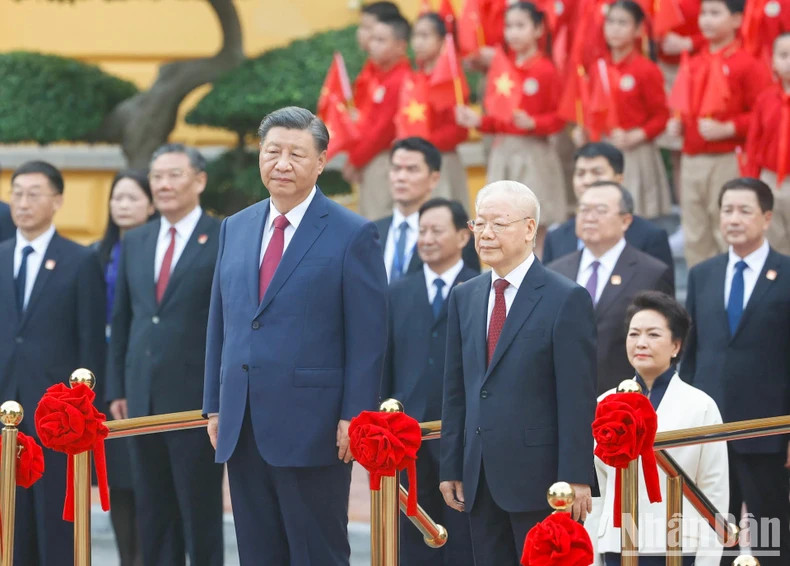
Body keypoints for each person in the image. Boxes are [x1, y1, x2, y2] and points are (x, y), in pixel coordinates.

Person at [202, 107, 388, 566]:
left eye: (296, 154)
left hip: (315, 425)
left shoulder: (353, 233)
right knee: (257, 550)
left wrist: (355, 415)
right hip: (242, 421)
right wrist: (214, 404)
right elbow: (220, 322)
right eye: (273, 152)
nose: (282, 164)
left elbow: (369, 336)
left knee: (315, 550)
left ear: (321, 162)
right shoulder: (236, 226)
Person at [439, 180, 598, 565]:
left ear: (529, 229)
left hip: (542, 479)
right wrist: (452, 464)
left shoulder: (565, 298)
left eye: (499, 223)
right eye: (480, 223)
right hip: (479, 474)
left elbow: (576, 396)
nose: (486, 233)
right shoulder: (466, 295)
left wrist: (576, 476)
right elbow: (457, 389)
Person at [107, 144, 224, 566]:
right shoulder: (136, 240)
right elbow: (124, 319)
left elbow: (227, 321)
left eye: (174, 175)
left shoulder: (222, 236)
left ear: (199, 180)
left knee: (198, 511)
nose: (164, 185)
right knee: (153, 510)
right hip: (141, 398)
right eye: (157, 176)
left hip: (196, 401)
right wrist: (118, 385)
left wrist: (220, 396)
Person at [0, 160, 105, 566]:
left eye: (34, 193)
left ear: (58, 200)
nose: (23, 203)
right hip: (6, 407)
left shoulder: (80, 261)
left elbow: (91, 343)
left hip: (56, 415)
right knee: (11, 517)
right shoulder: (1, 254)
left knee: (54, 521)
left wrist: (84, 412)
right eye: (17, 193)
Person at [681, 177, 790, 566]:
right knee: (713, 533)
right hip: (710, 431)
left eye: (744, 211)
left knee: (771, 534)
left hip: (769, 430)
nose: (733, 218)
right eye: (727, 210)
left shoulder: (786, 272)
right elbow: (692, 355)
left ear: (766, 218)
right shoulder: (703, 273)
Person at [588, 291, 728, 566]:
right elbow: (598, 490)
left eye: (653, 335)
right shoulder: (604, 403)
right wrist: (592, 553)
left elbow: (714, 490)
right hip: (617, 543)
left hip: (678, 544)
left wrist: (708, 559)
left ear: (676, 345)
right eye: (634, 334)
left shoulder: (701, 405)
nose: (641, 343)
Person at [381, 197, 477, 566]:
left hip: (464, 437)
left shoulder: (480, 289)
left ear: (462, 237)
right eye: (422, 231)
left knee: (463, 538)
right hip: (408, 440)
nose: (427, 238)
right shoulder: (397, 293)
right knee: (412, 539)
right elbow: (386, 365)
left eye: (437, 230)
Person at [456, 2, 567, 249]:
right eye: (508, 26)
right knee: (500, 223)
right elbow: (498, 119)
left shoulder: (546, 70)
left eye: (520, 26)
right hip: (503, 152)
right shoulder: (501, 69)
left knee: (536, 226)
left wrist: (534, 122)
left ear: (538, 29)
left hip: (534, 153)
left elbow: (560, 118)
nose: (513, 33)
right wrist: (478, 121)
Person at [669, 0, 772, 267]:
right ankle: (699, 297)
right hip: (692, 158)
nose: (706, 20)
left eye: (716, 13)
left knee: (726, 230)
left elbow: (765, 114)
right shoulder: (693, 61)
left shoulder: (747, 63)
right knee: (695, 233)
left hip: (727, 158)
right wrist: (678, 124)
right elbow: (684, 107)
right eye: (704, 13)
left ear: (738, 20)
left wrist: (729, 128)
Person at [547, 181, 674, 394]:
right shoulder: (555, 271)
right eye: (584, 209)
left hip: (626, 397)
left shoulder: (651, 272)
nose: (589, 217)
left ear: (626, 220)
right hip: (564, 394)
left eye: (600, 210)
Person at [95, 170, 155, 566]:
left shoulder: (158, 251)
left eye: (133, 198)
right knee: (116, 479)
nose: (123, 205)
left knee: (147, 481)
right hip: (104, 378)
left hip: (147, 375)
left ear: (150, 205)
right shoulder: (94, 255)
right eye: (118, 198)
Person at [578, 0, 672, 219]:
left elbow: (661, 116)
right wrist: (584, 130)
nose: (615, 28)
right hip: (602, 150)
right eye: (610, 22)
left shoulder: (646, 69)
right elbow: (590, 109)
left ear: (638, 29)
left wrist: (636, 135)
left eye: (623, 23)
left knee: (635, 214)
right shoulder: (597, 67)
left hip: (635, 153)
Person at [542, 142, 674, 273]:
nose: (587, 181)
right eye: (580, 173)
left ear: (619, 179)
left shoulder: (650, 237)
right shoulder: (556, 237)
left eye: (597, 172)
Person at [374, 137, 479, 283]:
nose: (401, 177)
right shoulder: (373, 232)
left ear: (434, 179)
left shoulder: (456, 235)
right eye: (396, 169)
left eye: (412, 169)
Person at [344, 13, 412, 220]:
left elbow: (383, 131)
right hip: (369, 159)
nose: (373, 45)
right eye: (372, 39)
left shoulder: (400, 80)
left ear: (400, 46)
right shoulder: (375, 75)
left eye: (381, 40)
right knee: (367, 217)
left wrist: (355, 160)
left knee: (378, 220)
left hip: (383, 159)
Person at [408, 12, 470, 207]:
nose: (418, 42)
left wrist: (423, 144)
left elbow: (460, 130)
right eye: (415, 36)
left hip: (442, 163)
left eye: (425, 36)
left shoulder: (451, 80)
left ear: (442, 40)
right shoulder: (415, 79)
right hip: (416, 162)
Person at [744, 32, 790, 255]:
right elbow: (754, 145)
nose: (789, 61)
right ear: (773, 60)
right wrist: (751, 184)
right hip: (771, 179)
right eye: (783, 55)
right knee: (774, 242)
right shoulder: (765, 99)